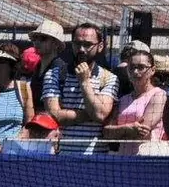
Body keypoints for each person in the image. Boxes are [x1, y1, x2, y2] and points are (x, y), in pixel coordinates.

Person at [41, 23, 118, 154]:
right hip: (62, 156)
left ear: (100, 46)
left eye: (87, 45)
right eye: (77, 44)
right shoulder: (54, 74)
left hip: (97, 158)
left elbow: (99, 114)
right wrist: (91, 113)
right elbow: (54, 115)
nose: (81, 49)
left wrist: (84, 82)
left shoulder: (109, 78)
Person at [103, 50, 168, 156]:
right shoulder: (123, 99)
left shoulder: (159, 95)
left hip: (149, 157)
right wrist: (128, 129)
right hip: (124, 159)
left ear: (152, 70)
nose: (135, 72)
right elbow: (106, 133)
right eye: (131, 67)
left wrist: (117, 132)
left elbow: (142, 132)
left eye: (141, 67)